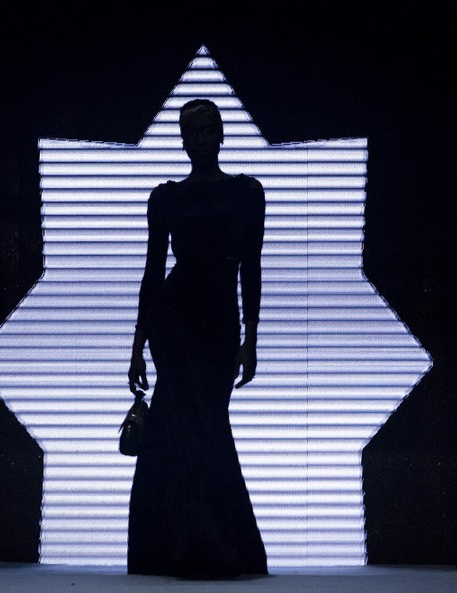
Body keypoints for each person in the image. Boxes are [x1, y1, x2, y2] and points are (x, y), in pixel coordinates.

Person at [126, 99, 268, 578]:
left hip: (220, 324)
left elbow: (251, 266)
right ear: (183, 141)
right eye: (193, 133)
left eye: (208, 131)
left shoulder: (246, 193)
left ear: (221, 135)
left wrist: (251, 338)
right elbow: (152, 271)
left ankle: (204, 546)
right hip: (175, 322)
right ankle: (190, 548)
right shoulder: (167, 198)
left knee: (207, 427)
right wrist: (138, 344)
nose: (201, 140)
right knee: (184, 431)